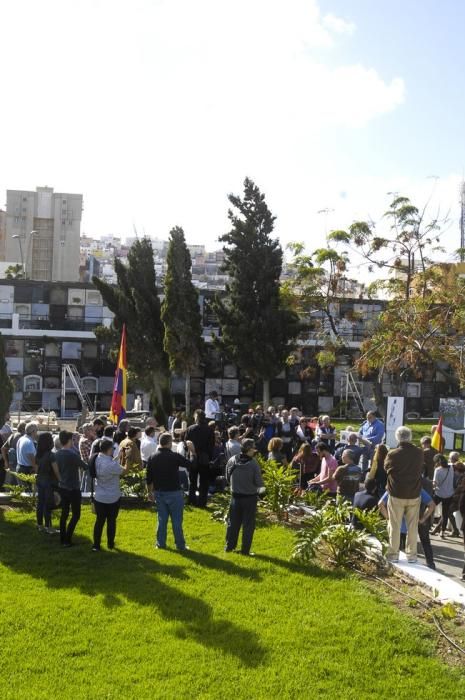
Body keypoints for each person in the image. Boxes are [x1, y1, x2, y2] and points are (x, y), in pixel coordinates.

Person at [384, 426, 423, 563]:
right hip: (414, 493)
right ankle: (412, 556)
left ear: (397, 437)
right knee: (413, 527)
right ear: (410, 437)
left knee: (394, 526)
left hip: (396, 493)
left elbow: (386, 469)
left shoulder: (392, 454)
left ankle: (393, 555)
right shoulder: (419, 453)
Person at [146, 432, 192, 550]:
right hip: (174, 492)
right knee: (176, 521)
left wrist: (149, 492)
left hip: (159, 492)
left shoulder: (152, 457)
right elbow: (190, 465)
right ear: (169, 443)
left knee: (162, 520)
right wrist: (192, 451)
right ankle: (180, 545)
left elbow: (148, 478)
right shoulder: (174, 456)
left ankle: (160, 544)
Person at [379, 485, 436, 569]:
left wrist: (388, 518)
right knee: (422, 540)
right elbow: (432, 505)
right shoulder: (417, 487)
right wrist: (422, 519)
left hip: (397, 530)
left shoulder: (395, 486)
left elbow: (380, 504)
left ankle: (394, 556)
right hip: (412, 526)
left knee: (395, 540)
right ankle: (418, 559)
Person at [225, 438, 264, 555]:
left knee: (233, 523)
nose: (255, 449)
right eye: (253, 447)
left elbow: (227, 477)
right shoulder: (253, 464)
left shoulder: (232, 460)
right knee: (248, 525)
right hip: (249, 498)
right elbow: (259, 483)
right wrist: (262, 495)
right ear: (249, 449)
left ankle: (229, 547)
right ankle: (245, 550)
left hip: (235, 497)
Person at [91, 438, 129, 551]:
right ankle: (110, 544)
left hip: (99, 496)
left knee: (99, 521)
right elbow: (125, 471)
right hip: (112, 497)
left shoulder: (96, 457)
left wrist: (118, 456)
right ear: (108, 450)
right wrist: (127, 458)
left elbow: (111, 462)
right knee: (111, 521)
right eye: (112, 449)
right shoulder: (111, 465)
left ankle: (96, 545)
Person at [56, 430, 88, 547]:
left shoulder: (57, 454)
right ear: (70, 440)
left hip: (62, 487)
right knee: (76, 515)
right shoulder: (72, 455)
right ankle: (67, 539)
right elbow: (85, 467)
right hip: (73, 488)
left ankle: (62, 538)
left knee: (64, 514)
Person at [186, 409, 215, 507]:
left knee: (192, 481)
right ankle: (202, 502)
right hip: (205, 457)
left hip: (193, 456)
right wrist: (210, 458)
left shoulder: (190, 428)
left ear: (196, 417)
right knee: (204, 482)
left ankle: (191, 500)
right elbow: (212, 446)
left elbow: (186, 444)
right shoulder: (209, 430)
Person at [36, 432, 60, 533]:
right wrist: (61, 481)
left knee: (40, 503)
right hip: (48, 481)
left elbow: (37, 469)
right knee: (48, 504)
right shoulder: (51, 455)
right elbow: (56, 471)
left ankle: (40, 525)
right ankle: (49, 527)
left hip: (39, 480)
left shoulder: (38, 455)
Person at [431, 453, 455, 539]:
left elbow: (435, 484)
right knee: (445, 514)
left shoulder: (437, 470)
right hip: (449, 494)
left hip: (439, 494)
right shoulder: (451, 467)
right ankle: (442, 532)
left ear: (437, 462)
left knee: (429, 508)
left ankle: (427, 526)